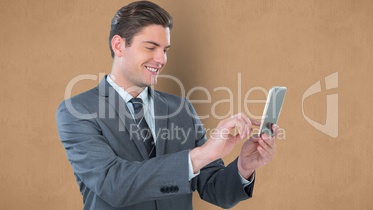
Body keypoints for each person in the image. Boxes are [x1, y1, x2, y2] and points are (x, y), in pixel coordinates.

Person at [56, 1, 279, 209]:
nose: (161, 59)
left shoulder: (181, 109)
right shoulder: (78, 111)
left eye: (165, 50)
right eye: (151, 47)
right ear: (119, 45)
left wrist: (244, 167)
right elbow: (112, 183)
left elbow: (214, 187)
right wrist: (201, 154)